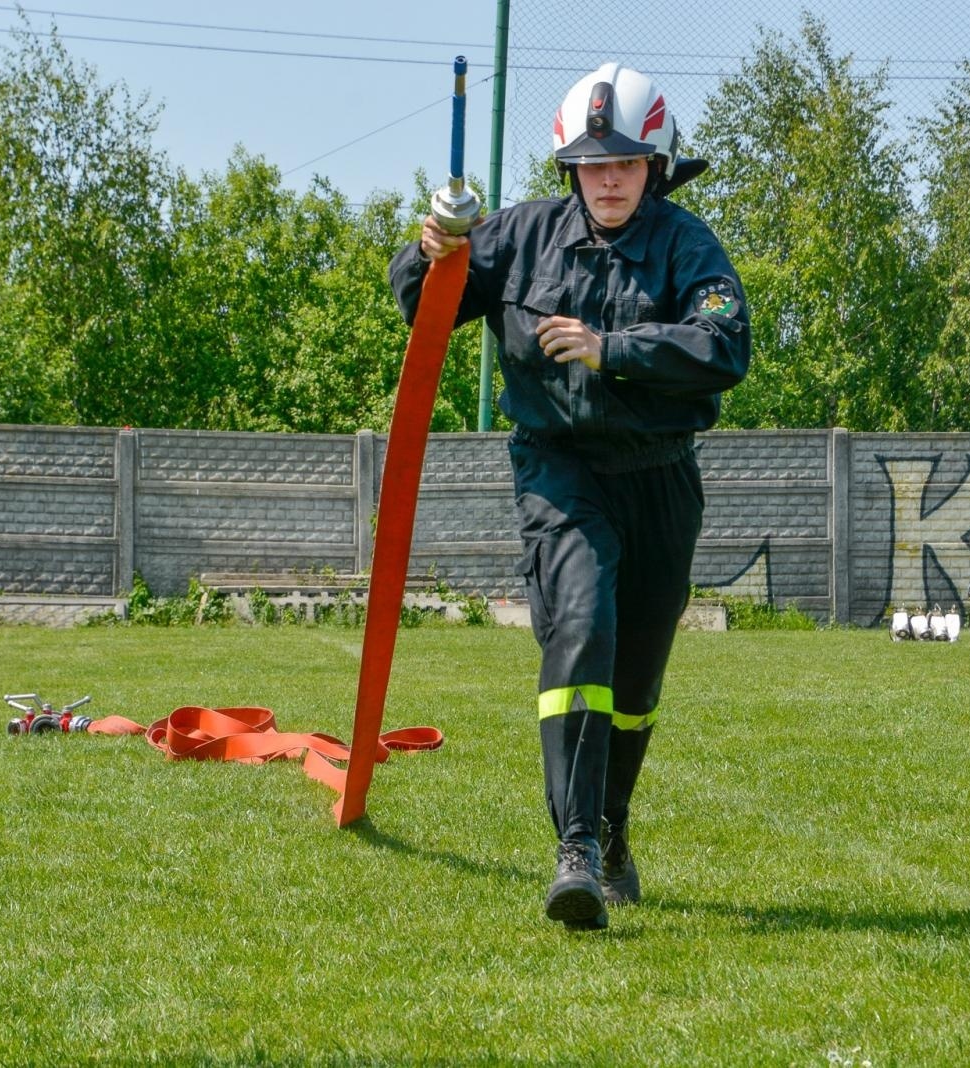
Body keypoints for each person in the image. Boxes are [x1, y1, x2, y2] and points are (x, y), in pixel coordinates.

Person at [389, 62, 750, 929]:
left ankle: (615, 824)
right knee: (582, 628)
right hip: (558, 472)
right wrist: (429, 249)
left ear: (655, 163)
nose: (611, 177)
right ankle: (576, 847)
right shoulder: (520, 237)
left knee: (636, 682)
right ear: (570, 169)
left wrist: (612, 348)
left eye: (626, 161)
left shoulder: (687, 244)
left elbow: (724, 345)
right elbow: (423, 304)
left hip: (661, 477)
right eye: (594, 164)